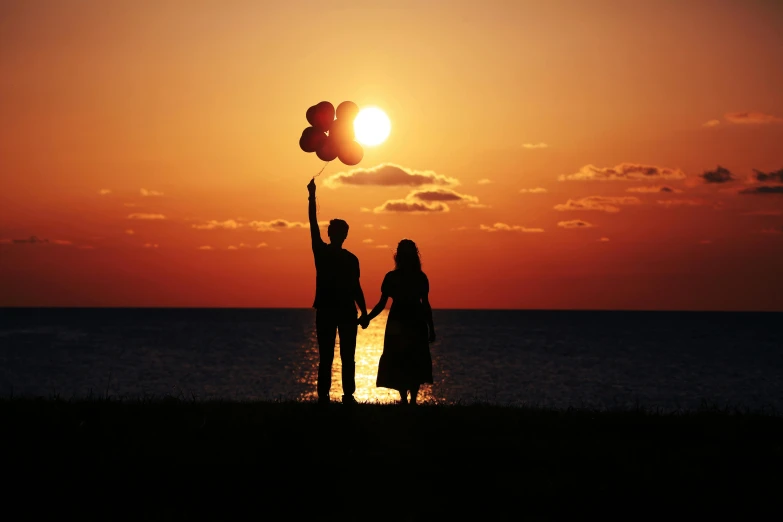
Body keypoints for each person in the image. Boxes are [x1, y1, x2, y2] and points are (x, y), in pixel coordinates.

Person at [307, 178, 369, 406]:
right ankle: (329, 396)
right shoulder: (324, 252)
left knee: (342, 356)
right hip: (329, 309)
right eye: (339, 231)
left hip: (341, 310)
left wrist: (363, 312)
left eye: (341, 232)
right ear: (336, 234)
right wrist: (312, 196)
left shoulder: (350, 259)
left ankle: (343, 396)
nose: (340, 235)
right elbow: (312, 222)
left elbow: (356, 287)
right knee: (332, 356)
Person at [365, 239, 435, 405]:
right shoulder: (419, 277)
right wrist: (431, 327)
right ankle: (411, 401)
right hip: (414, 320)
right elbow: (425, 305)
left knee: (402, 358)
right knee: (411, 357)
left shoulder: (394, 277)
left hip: (400, 320)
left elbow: (382, 304)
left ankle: (405, 399)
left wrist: (368, 317)